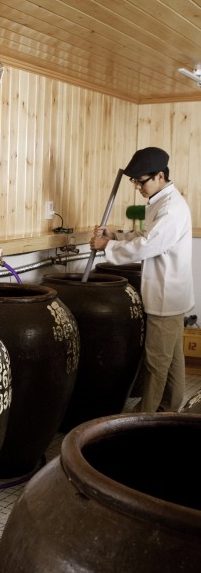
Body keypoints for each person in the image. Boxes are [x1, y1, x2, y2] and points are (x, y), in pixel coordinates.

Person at [90, 146, 194, 412]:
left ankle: (146, 418)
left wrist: (106, 247)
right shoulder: (160, 202)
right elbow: (144, 237)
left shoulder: (171, 209)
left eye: (141, 181)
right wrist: (114, 237)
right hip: (168, 293)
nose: (138, 187)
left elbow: (148, 245)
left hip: (166, 296)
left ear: (160, 175)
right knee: (172, 360)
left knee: (156, 362)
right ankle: (170, 410)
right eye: (135, 182)